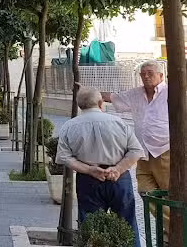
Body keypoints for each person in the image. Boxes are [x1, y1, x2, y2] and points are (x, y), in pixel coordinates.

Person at [56, 87, 144, 247]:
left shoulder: (69, 126)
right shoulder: (119, 123)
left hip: (88, 178)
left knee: (90, 227)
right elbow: (136, 151)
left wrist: (89, 170)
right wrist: (118, 169)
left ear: (79, 105)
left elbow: (64, 157)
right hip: (119, 178)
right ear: (101, 102)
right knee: (127, 223)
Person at [101, 60, 170, 239]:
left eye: (150, 73)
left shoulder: (170, 93)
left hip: (165, 151)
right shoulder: (136, 94)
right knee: (146, 193)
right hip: (143, 154)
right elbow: (113, 97)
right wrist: (89, 93)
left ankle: (173, 232)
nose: (146, 76)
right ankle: (173, 228)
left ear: (161, 76)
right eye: (143, 73)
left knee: (170, 194)